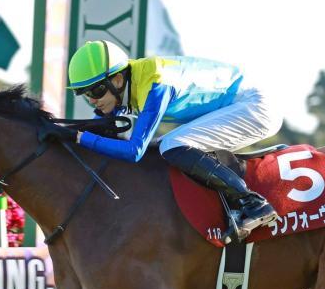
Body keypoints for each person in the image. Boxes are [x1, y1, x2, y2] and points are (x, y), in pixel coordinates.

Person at [65, 40, 282, 243]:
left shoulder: (154, 84)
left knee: (170, 145)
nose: (92, 100)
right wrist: (63, 131)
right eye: (86, 94)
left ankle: (253, 203)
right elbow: (97, 126)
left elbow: (134, 151)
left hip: (255, 106)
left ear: (118, 80)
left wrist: (79, 137)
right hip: (240, 104)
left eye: (97, 90)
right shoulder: (126, 85)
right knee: (165, 144)